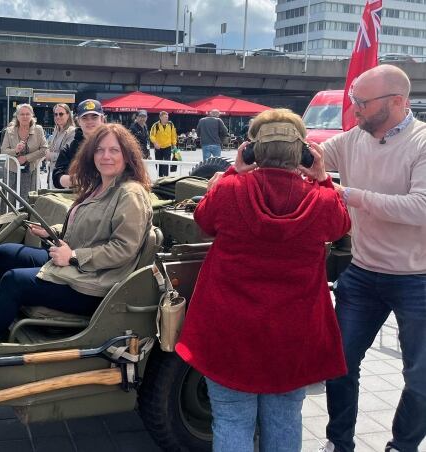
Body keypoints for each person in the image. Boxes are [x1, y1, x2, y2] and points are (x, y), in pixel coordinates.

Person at [175, 109, 351, 452]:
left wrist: (232, 170)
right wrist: (322, 179)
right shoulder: (322, 199)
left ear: (251, 150)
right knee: (285, 419)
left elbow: (203, 219)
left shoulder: (228, 189)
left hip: (228, 329)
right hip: (293, 334)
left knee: (230, 420)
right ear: (302, 152)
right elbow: (341, 227)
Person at [318, 65, 426, 452]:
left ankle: (403, 445)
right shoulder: (354, 138)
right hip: (362, 272)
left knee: (421, 377)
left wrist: (347, 193)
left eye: (361, 103)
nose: (355, 111)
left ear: (397, 101)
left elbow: (420, 208)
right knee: (339, 363)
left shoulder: (422, 142)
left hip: (418, 279)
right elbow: (309, 153)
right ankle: (338, 442)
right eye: (353, 102)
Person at [0, 123, 153, 341]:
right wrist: (52, 232)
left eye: (114, 150)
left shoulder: (130, 194)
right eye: (99, 149)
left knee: (14, 281)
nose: (106, 156)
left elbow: (123, 249)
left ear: (127, 155)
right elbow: (90, 227)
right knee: (3, 253)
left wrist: (74, 257)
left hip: (95, 285)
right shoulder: (100, 185)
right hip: (81, 268)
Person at [0, 104, 48, 213]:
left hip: (30, 171)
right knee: (8, 200)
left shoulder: (38, 130)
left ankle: (26, 226)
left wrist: (26, 158)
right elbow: (3, 150)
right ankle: (3, 226)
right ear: (17, 116)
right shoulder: (10, 130)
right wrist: (15, 150)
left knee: (29, 200)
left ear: (32, 115)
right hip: (11, 170)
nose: (25, 116)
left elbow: (44, 149)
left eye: (27, 114)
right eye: (22, 114)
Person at [52, 99, 105, 189]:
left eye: (94, 117)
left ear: (102, 119)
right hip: (80, 197)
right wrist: (78, 179)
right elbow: (57, 177)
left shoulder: (114, 142)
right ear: (78, 121)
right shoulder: (70, 147)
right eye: (84, 118)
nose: (89, 121)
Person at [45, 103, 76, 188]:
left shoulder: (72, 132)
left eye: (61, 114)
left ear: (68, 115)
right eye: (55, 114)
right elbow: (50, 147)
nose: (58, 116)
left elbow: (69, 156)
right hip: (53, 172)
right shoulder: (56, 130)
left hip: (64, 175)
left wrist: (51, 155)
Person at [149, 111, 177, 177]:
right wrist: (155, 143)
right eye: (165, 117)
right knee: (158, 162)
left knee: (167, 162)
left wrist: (174, 145)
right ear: (160, 117)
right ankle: (160, 177)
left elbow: (173, 135)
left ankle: (166, 177)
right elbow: (152, 135)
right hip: (158, 147)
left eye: (167, 117)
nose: (166, 119)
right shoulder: (155, 125)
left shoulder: (171, 125)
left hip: (167, 146)